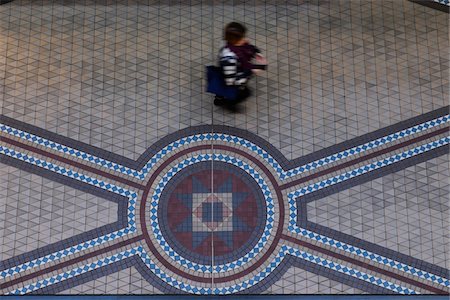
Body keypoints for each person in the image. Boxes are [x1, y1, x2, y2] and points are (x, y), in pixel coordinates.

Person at [215, 22, 267, 106]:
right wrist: (251, 71)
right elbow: (231, 81)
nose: (245, 39)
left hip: (232, 70)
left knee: (223, 87)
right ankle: (227, 104)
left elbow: (248, 47)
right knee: (244, 93)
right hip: (231, 75)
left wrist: (256, 52)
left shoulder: (230, 43)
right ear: (235, 40)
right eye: (242, 38)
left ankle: (220, 96)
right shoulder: (229, 59)